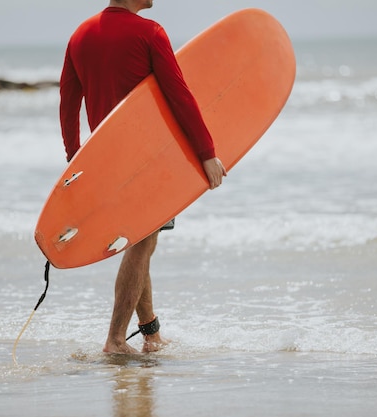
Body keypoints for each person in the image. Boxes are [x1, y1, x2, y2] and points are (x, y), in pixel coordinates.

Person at [59, 0, 227, 354]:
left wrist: (75, 159)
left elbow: (68, 102)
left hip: (104, 161)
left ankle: (150, 335)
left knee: (139, 242)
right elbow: (179, 95)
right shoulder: (150, 33)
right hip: (146, 162)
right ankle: (115, 340)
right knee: (142, 244)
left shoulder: (80, 35)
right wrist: (207, 153)